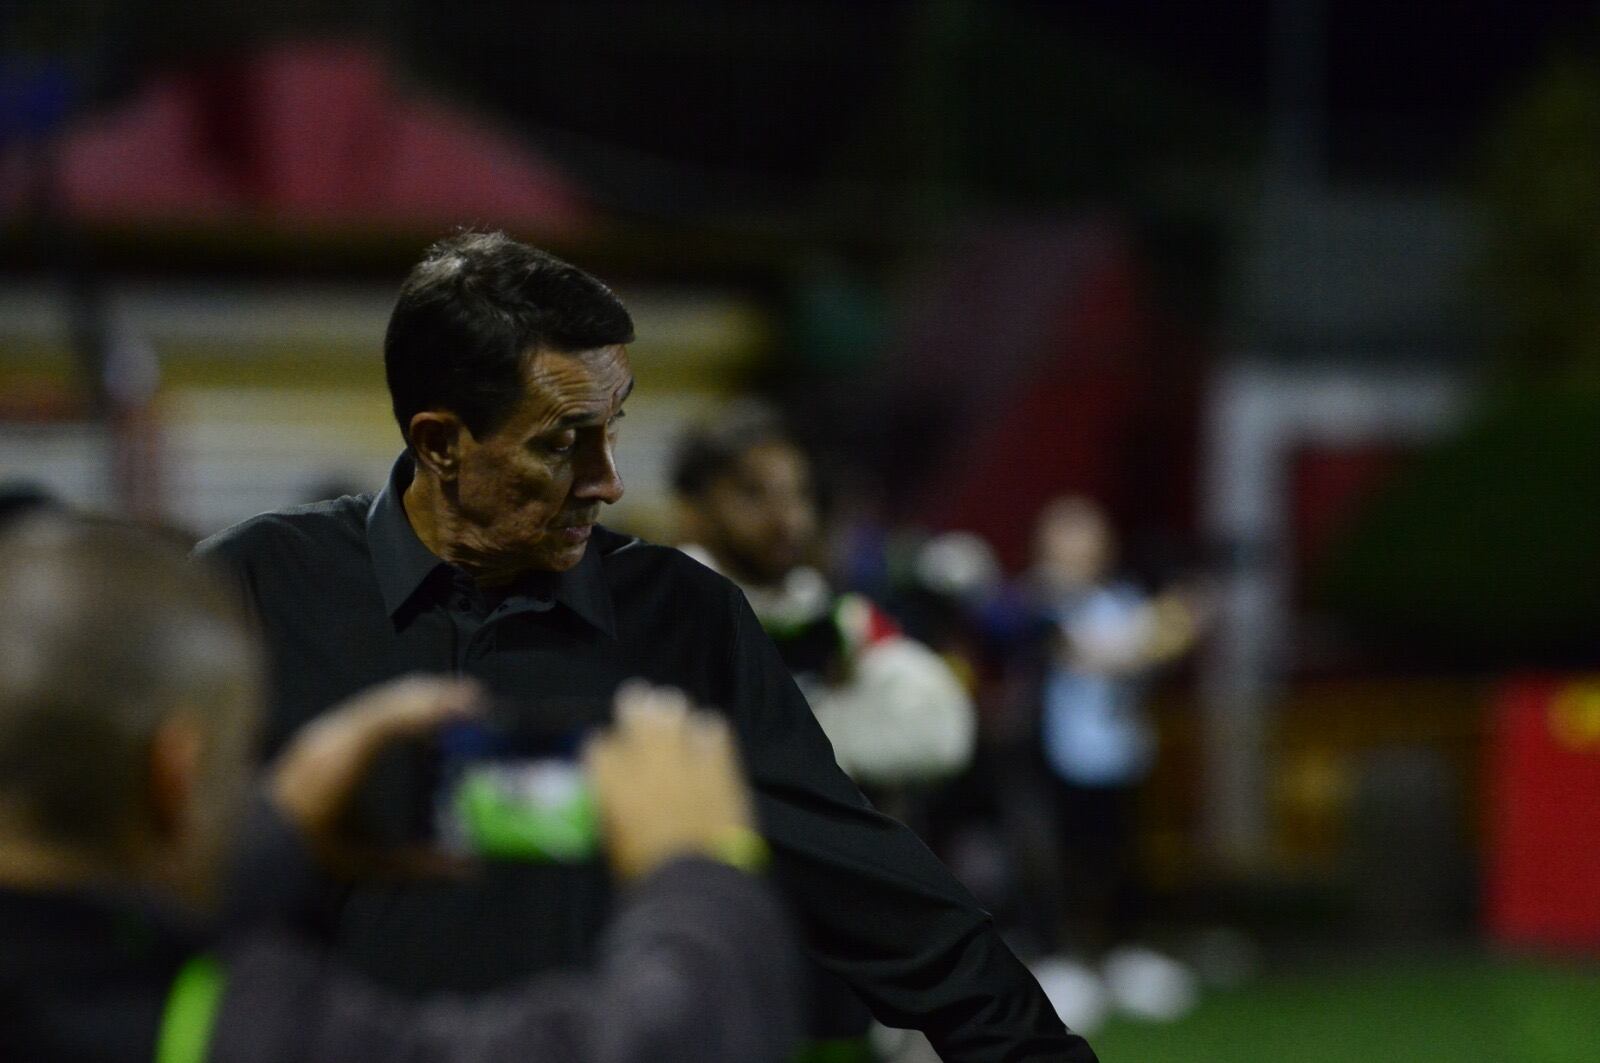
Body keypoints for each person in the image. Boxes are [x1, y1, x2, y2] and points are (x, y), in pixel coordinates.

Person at [196, 230, 1097, 1062]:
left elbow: (882, 897)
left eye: (612, 425)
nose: (608, 481)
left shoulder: (683, 619)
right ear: (440, 443)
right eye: (560, 444)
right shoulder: (252, 593)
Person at [0, 516, 800, 1062]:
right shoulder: (224, 1029)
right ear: (172, 781)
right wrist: (697, 873)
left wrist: (274, 834)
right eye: (233, 768)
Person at [670, 403, 975, 790]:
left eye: (798, 495)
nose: (787, 519)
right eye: (754, 494)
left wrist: (826, 735)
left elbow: (944, 733)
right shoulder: (666, 606)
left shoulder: (835, 616)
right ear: (691, 509)